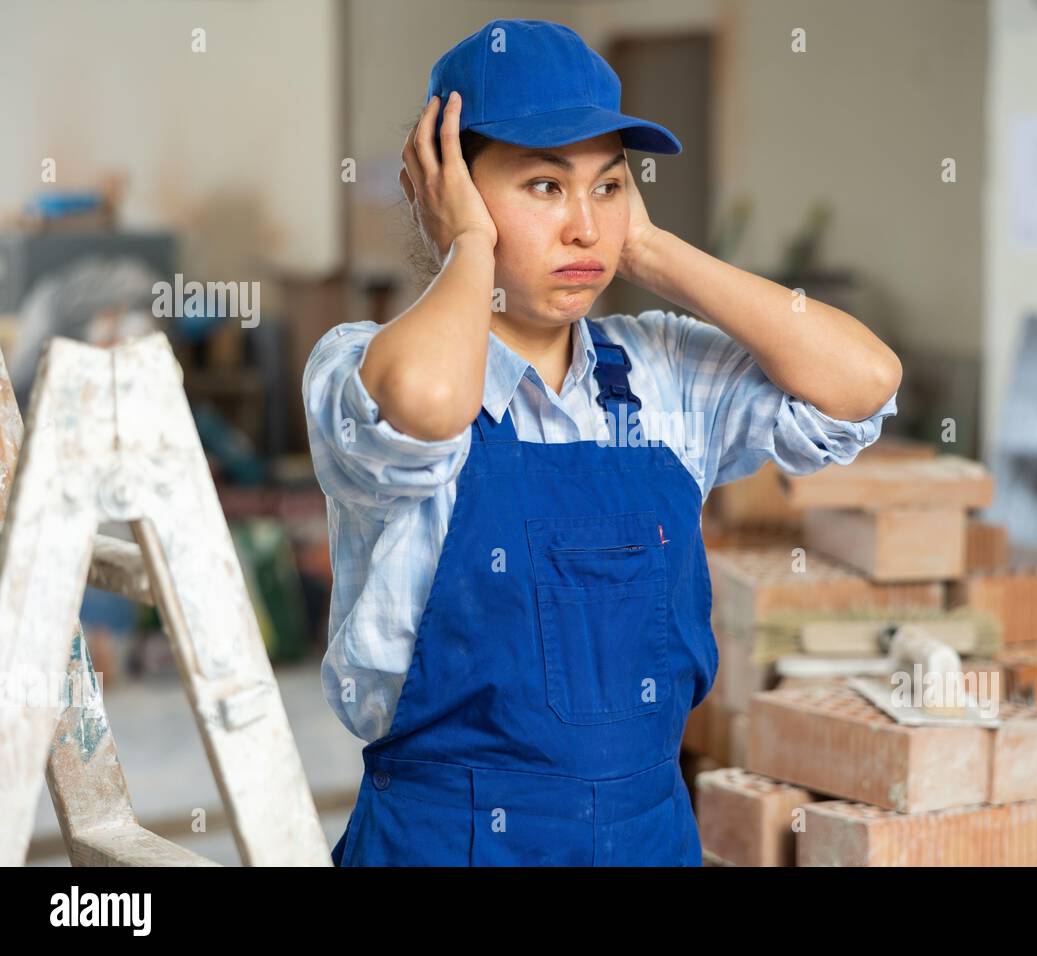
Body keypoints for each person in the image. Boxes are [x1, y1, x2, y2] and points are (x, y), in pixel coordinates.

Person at [304, 18, 901, 866]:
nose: (585, 227)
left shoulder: (661, 371)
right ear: (446, 189)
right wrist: (467, 247)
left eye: (609, 186)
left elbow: (864, 380)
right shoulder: (363, 362)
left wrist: (650, 249)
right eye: (545, 187)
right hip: (449, 841)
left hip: (647, 836)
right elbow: (432, 402)